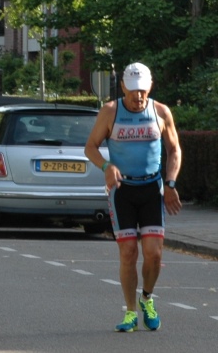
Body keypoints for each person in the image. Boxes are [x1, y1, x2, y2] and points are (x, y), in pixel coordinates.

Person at [84, 62, 182, 332]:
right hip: (122, 190)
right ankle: (130, 312)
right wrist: (107, 166)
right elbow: (90, 147)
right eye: (132, 90)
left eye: (143, 90)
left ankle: (147, 298)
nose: (138, 96)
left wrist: (171, 183)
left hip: (152, 188)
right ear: (123, 87)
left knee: (154, 254)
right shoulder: (110, 111)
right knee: (128, 252)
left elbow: (174, 149)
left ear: (150, 87)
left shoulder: (160, 112)